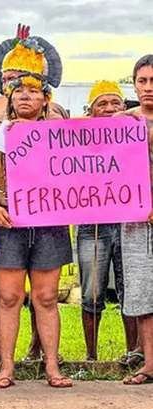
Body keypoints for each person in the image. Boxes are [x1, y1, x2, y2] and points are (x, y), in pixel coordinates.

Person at [0, 24, 67, 369]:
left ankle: (52, 365)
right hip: (8, 222)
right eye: (19, 90)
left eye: (33, 90)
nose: (26, 95)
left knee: (46, 296)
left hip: (48, 224)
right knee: (9, 296)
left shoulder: (62, 135)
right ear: (9, 98)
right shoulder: (0, 134)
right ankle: (7, 365)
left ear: (45, 99)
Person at [78, 81, 131, 362]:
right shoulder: (77, 138)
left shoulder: (135, 134)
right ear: (91, 110)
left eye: (115, 103)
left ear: (124, 107)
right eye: (103, 103)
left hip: (129, 222)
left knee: (131, 288)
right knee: (92, 290)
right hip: (92, 224)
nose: (110, 109)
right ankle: (91, 355)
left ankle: (133, 352)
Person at [120, 55, 153, 385]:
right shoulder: (121, 123)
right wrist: (15, 128)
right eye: (142, 81)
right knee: (143, 293)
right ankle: (149, 364)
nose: (148, 88)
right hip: (135, 221)